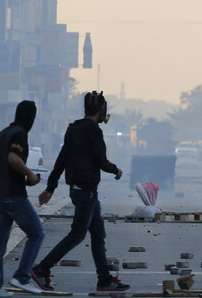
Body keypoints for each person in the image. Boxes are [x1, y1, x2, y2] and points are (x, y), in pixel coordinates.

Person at [31, 91, 129, 292]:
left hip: (80, 190)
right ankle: (42, 269)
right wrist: (116, 170)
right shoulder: (94, 130)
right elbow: (101, 160)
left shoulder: (73, 129)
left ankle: (104, 279)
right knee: (78, 234)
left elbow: (61, 159)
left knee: (97, 233)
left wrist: (51, 186)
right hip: (86, 192)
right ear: (101, 110)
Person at [0, 101, 45, 296]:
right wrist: (30, 174)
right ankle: (21, 277)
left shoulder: (2, 133)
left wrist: (2, 179)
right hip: (14, 196)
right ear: (31, 118)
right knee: (37, 233)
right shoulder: (20, 134)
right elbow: (13, 158)